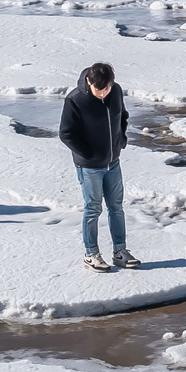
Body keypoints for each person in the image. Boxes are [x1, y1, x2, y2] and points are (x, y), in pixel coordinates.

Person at [58, 61, 138, 272]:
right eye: (99, 89)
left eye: (107, 88)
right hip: (89, 167)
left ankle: (120, 251)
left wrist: (120, 141)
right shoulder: (75, 100)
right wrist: (88, 154)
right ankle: (91, 254)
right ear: (88, 81)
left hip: (113, 162)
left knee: (116, 207)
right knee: (93, 209)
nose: (104, 93)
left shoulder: (116, 91)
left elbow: (123, 117)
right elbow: (66, 133)